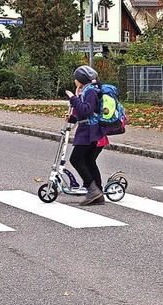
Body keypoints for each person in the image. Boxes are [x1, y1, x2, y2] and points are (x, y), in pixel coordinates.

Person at [65, 65, 106, 206]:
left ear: (81, 79)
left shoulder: (90, 92)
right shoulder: (88, 91)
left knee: (76, 159)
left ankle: (92, 189)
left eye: (76, 78)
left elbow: (87, 110)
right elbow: (84, 113)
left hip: (89, 132)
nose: (75, 81)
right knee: (89, 161)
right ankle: (98, 193)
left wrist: (73, 99)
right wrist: (72, 118)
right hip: (89, 130)